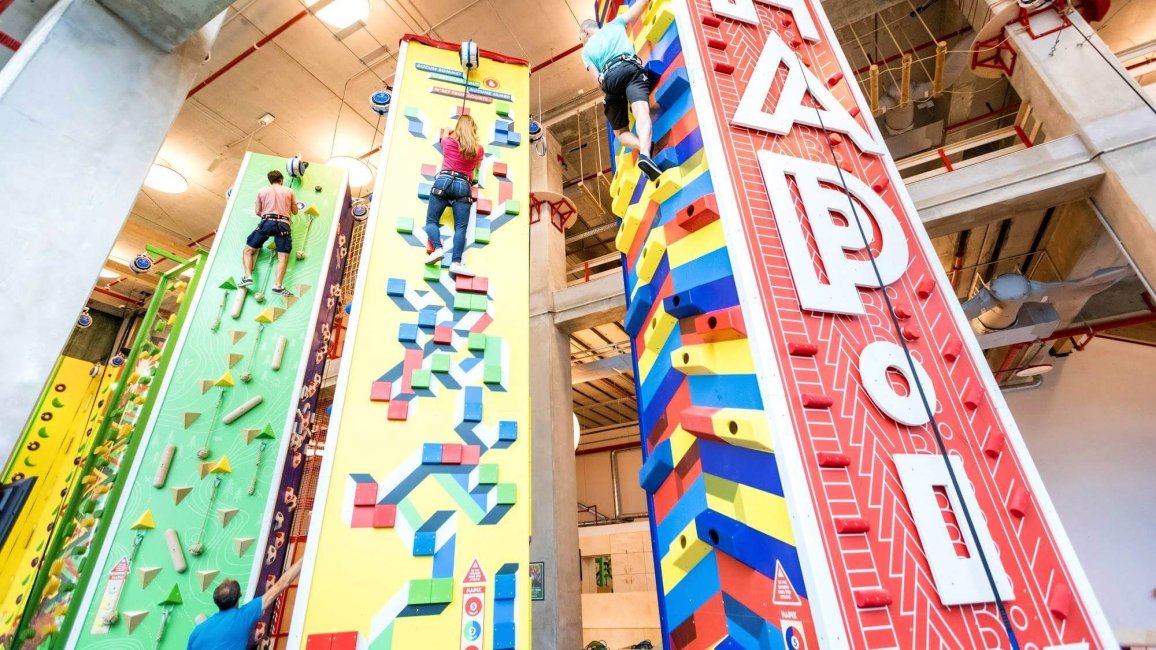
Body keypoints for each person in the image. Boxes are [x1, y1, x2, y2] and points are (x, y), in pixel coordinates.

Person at [579, 0, 661, 183]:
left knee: (621, 133)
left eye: (580, 38)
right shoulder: (615, 24)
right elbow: (639, 7)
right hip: (629, 68)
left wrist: (610, 88)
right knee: (641, 112)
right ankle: (646, 154)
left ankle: (642, 146)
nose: (581, 42)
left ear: (585, 32)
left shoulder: (585, 52)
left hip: (609, 80)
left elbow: (598, 79)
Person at [187, 560, 302, 650]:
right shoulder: (242, 617)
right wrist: (304, 558)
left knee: (200, 618)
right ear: (239, 597)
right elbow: (282, 584)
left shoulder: (196, 633)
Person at [424, 114, 484, 277]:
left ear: (458, 129)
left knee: (431, 221)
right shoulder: (478, 149)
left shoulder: (448, 141)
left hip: (443, 181)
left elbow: (443, 134)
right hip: (464, 185)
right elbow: (477, 166)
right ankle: (456, 262)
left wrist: (451, 131)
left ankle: (437, 249)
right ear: (473, 130)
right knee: (460, 228)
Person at [240, 170, 298, 297]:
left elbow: (257, 212)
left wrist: (268, 216)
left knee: (248, 251)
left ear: (270, 180)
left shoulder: (262, 191)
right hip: (284, 224)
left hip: (267, 223)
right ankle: (277, 286)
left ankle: (248, 277)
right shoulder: (289, 191)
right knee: (283, 257)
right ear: (281, 180)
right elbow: (295, 211)